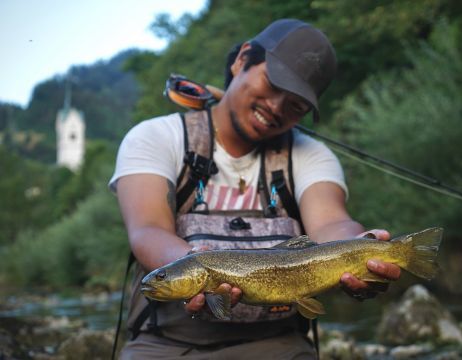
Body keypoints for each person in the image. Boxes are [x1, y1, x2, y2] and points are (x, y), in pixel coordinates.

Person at [109, 18, 401, 359]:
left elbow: (331, 223)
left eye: (295, 105)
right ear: (242, 59)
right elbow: (147, 230)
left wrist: (361, 246)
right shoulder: (156, 137)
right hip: (167, 343)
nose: (276, 108)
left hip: (278, 343)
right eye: (273, 83)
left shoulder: (311, 155)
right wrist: (193, 268)